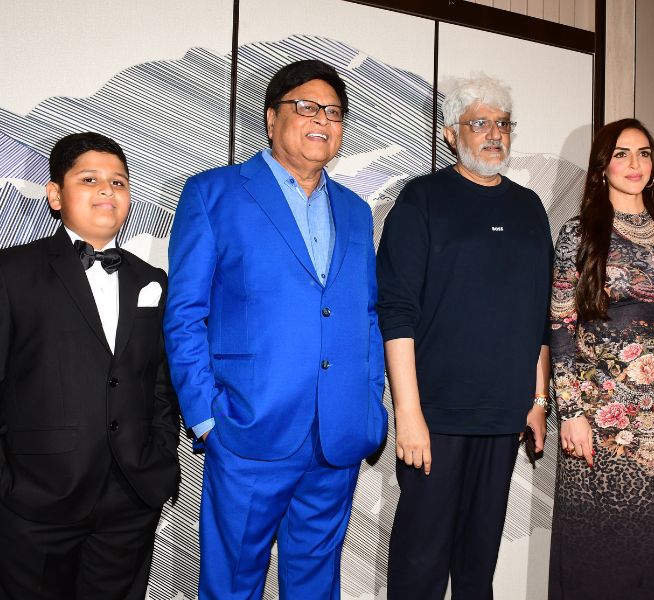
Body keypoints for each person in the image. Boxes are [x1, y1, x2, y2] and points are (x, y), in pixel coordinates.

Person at [164, 59, 387, 599]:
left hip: (337, 435)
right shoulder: (213, 193)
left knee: (315, 584)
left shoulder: (356, 211)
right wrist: (206, 416)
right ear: (270, 117)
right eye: (306, 107)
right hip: (247, 429)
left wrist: (370, 405)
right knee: (232, 585)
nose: (322, 120)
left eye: (334, 112)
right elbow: (186, 313)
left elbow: (366, 314)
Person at [377, 75, 552, 599]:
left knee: (479, 566)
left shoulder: (529, 207)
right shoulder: (422, 199)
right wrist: (409, 414)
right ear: (451, 134)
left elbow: (540, 316)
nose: (494, 134)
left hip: (504, 416)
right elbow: (396, 312)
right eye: (480, 123)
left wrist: (538, 400)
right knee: (420, 565)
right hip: (436, 417)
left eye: (503, 123)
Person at [0, 132, 180, 599]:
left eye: (118, 182)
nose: (107, 190)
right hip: (36, 500)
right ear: (55, 195)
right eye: (89, 179)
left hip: (131, 499)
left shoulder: (151, 280)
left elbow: (159, 384)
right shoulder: (11, 271)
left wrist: (159, 457)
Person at [548, 118, 654, 599]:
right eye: (621, 154)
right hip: (598, 414)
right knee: (594, 544)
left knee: (650, 543)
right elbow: (561, 325)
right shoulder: (579, 233)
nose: (635, 164)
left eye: (643, 153)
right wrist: (570, 412)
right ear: (602, 167)